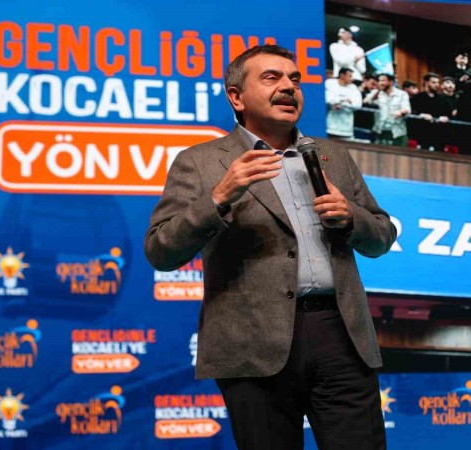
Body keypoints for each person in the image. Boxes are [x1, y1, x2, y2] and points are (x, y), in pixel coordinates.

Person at [144, 44, 396, 450]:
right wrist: (218, 198)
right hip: (252, 344)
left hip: (341, 336)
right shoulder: (200, 162)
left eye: (295, 79)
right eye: (271, 78)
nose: (288, 87)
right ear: (237, 97)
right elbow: (161, 250)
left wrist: (352, 217)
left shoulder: (332, 155)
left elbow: (382, 236)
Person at [364, 73, 411, 147]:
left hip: (397, 131)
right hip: (380, 130)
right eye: (379, 81)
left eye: (383, 81)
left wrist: (400, 112)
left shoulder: (402, 94)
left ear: (391, 82)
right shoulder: (377, 93)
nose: (380, 83)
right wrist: (378, 91)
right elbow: (366, 101)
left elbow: (407, 109)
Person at [325, 67, 362, 139]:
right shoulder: (330, 83)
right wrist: (344, 100)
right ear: (342, 75)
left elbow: (358, 105)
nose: (352, 79)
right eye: (350, 76)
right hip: (330, 127)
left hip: (347, 129)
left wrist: (341, 104)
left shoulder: (354, 88)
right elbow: (327, 99)